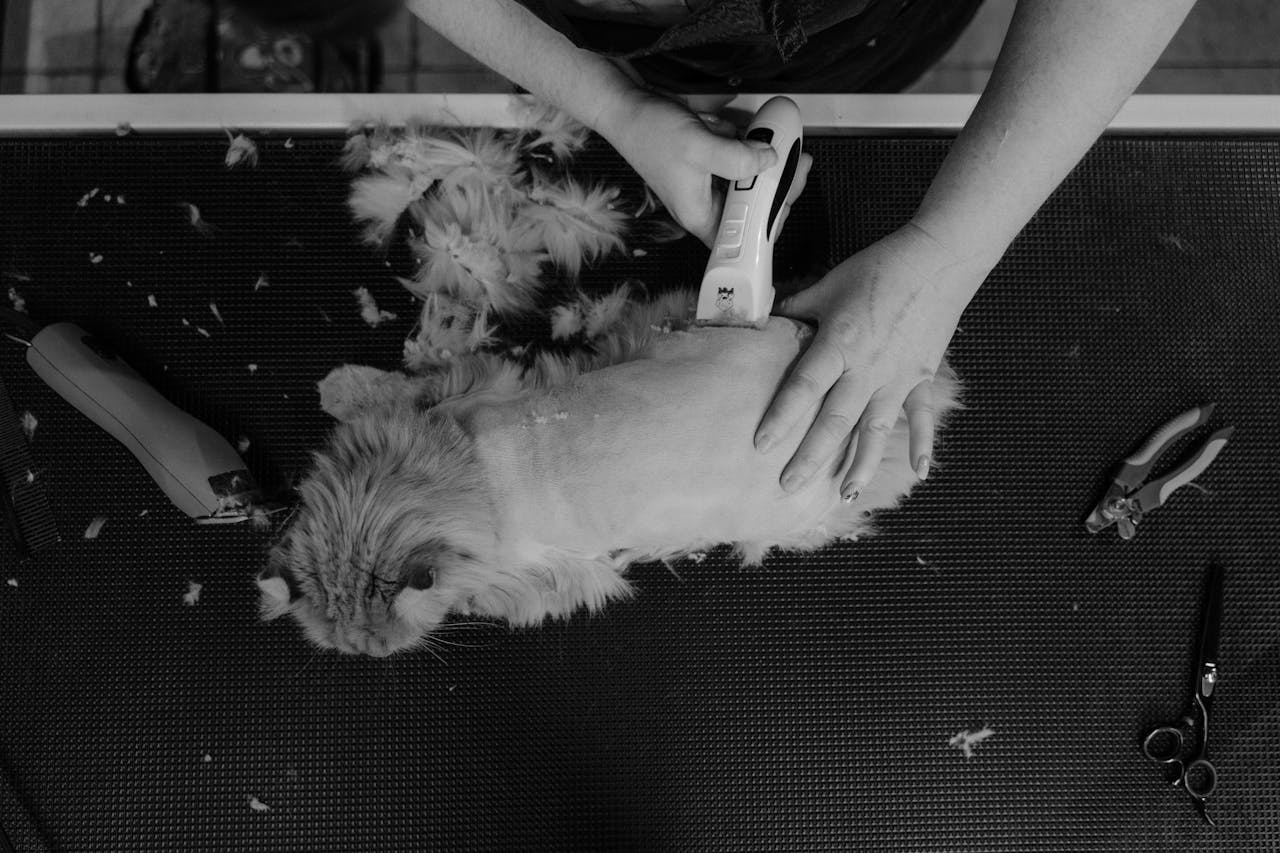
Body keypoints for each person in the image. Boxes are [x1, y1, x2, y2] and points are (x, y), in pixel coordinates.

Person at [239, 0, 1200, 500]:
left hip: (864, 22)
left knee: (867, 50)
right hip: (646, 50)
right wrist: (610, 99)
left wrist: (955, 247)